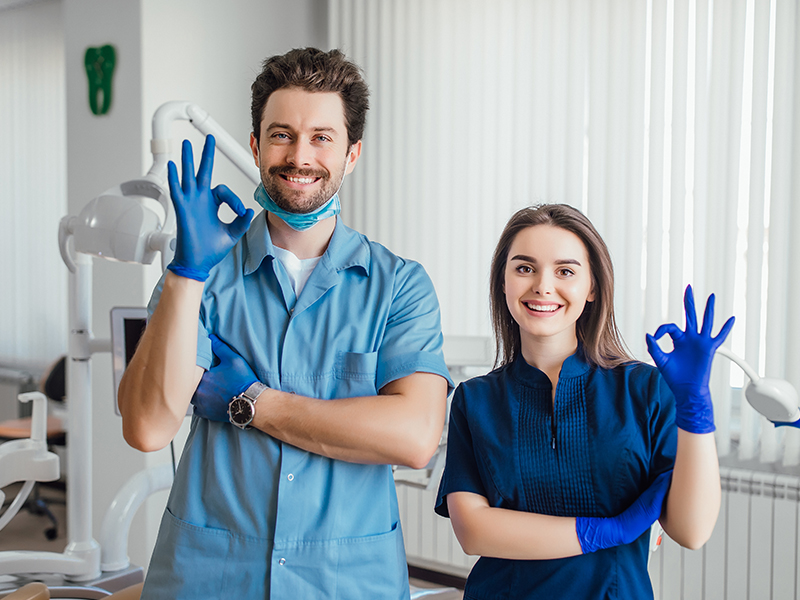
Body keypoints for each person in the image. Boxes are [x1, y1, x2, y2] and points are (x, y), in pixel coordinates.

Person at [118, 48, 452, 599]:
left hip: (345, 582)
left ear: (352, 154)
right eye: (281, 134)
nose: (300, 156)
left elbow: (414, 437)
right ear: (255, 146)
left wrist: (248, 401)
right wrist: (184, 273)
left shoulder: (399, 286)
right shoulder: (204, 276)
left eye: (322, 137)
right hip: (211, 576)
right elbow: (148, 427)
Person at [435, 204, 734, 599]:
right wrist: (602, 532)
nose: (543, 286)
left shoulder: (644, 390)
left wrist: (696, 409)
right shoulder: (475, 400)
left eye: (565, 271)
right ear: (503, 282)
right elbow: (473, 531)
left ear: (591, 287)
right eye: (524, 268)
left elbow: (691, 531)